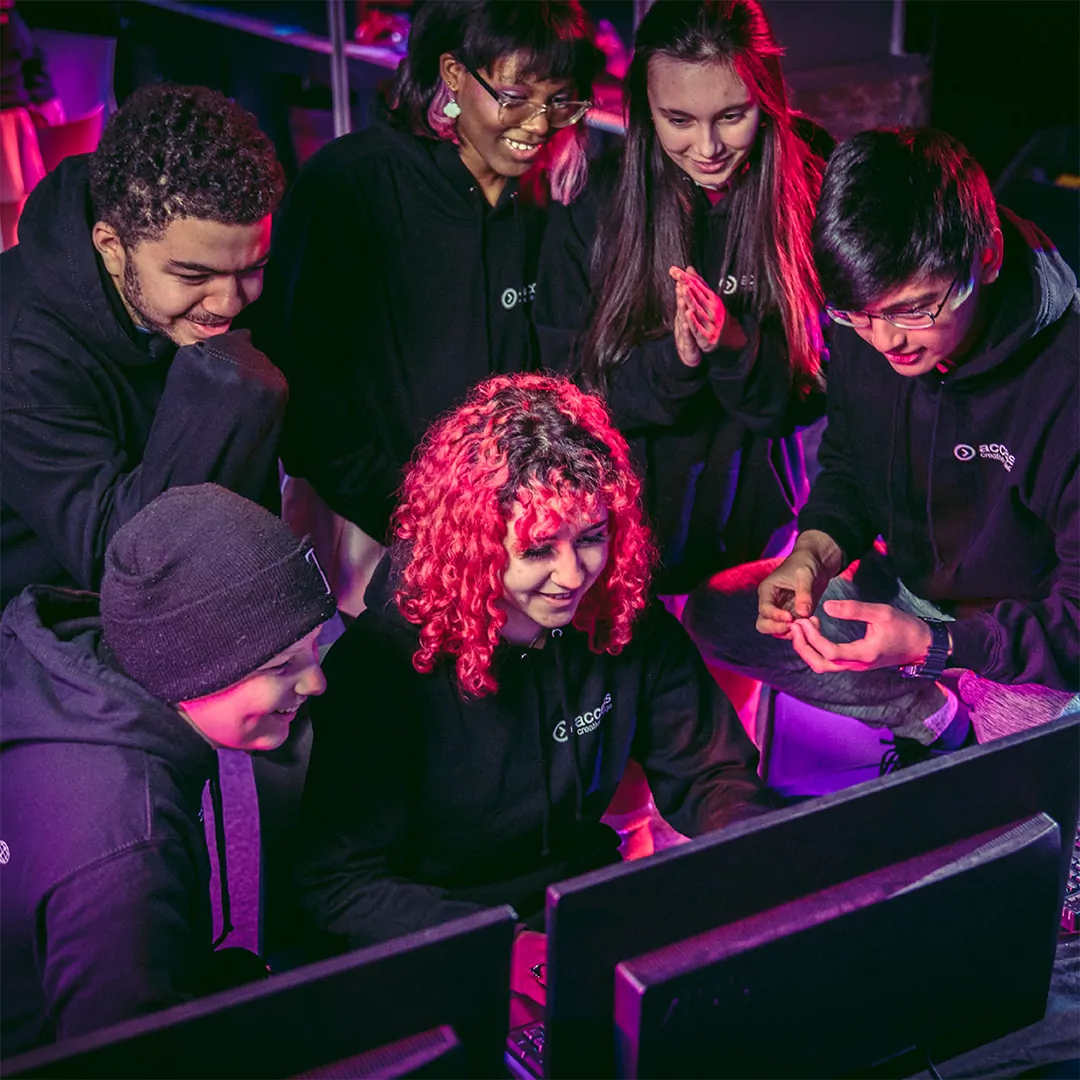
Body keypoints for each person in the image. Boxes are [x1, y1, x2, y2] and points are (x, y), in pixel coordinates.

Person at [292, 373, 773, 967]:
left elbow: (711, 772)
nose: (574, 575)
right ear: (477, 545)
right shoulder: (382, 669)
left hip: (578, 910)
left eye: (592, 538)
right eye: (540, 549)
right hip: (441, 932)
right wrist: (502, 948)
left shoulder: (621, 621)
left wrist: (751, 848)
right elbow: (339, 883)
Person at [685, 128, 1079, 748]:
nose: (885, 340)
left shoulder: (1066, 378)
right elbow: (847, 462)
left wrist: (938, 645)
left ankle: (977, 725)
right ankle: (935, 719)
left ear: (990, 256)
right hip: (903, 598)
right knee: (719, 615)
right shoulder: (865, 319)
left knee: (1040, 821)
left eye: (915, 309)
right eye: (858, 316)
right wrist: (811, 556)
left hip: (1022, 644)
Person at [256, 0, 604, 614]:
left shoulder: (550, 195)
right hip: (373, 534)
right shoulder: (352, 186)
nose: (540, 124)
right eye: (515, 96)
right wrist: (423, 522)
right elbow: (308, 404)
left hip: (517, 541)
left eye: (560, 100)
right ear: (451, 73)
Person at [1, 484, 338, 1054]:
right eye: (281, 665)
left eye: (313, 647)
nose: (314, 683)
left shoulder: (59, 673)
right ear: (190, 670)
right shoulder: (128, 852)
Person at [536, 0, 830, 597]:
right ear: (645, 107)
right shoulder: (600, 204)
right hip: (616, 551)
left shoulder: (814, 189)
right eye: (679, 120)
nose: (708, 147)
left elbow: (816, 397)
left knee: (731, 682)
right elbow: (569, 396)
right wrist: (677, 360)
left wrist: (736, 345)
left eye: (732, 116)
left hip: (760, 547)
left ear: (767, 98)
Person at [0, 83, 288, 608]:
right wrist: (223, 389)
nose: (228, 303)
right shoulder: (19, 353)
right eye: (193, 275)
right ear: (112, 247)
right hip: (41, 628)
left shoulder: (213, 278)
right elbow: (121, 560)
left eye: (253, 269)